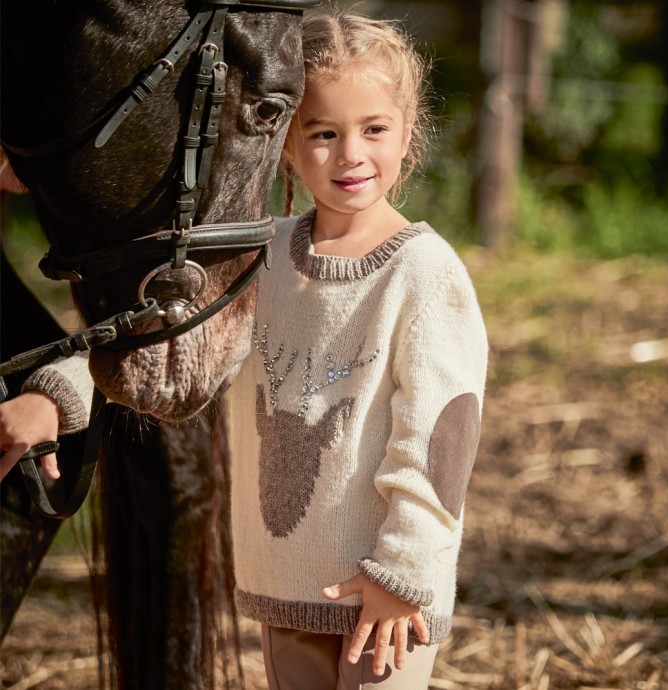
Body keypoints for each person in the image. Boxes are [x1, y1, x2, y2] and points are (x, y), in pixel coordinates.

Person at [0, 12, 488, 688]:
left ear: (408, 132)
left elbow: (441, 436)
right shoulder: (261, 262)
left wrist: (404, 573)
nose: (350, 155)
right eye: (323, 134)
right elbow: (165, 341)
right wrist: (58, 395)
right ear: (284, 144)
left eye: (373, 130)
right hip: (285, 588)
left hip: (385, 596)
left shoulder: (424, 274)